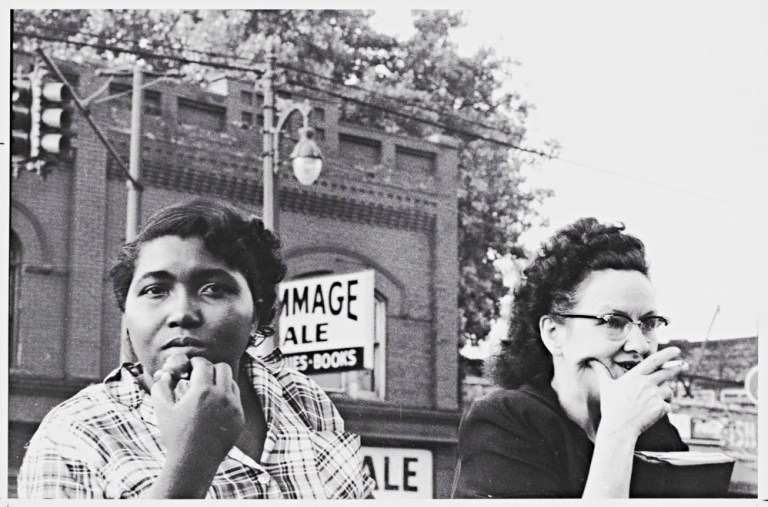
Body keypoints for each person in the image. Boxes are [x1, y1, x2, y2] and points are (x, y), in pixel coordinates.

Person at [18, 198, 374, 499]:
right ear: (127, 313)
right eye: (155, 290)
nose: (182, 313)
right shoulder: (74, 435)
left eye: (214, 289)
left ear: (259, 313)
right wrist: (191, 462)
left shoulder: (300, 398)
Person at [452, 218, 688, 498]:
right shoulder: (504, 422)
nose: (639, 344)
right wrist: (619, 432)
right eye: (613, 321)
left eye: (648, 323)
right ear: (553, 333)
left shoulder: (655, 430)